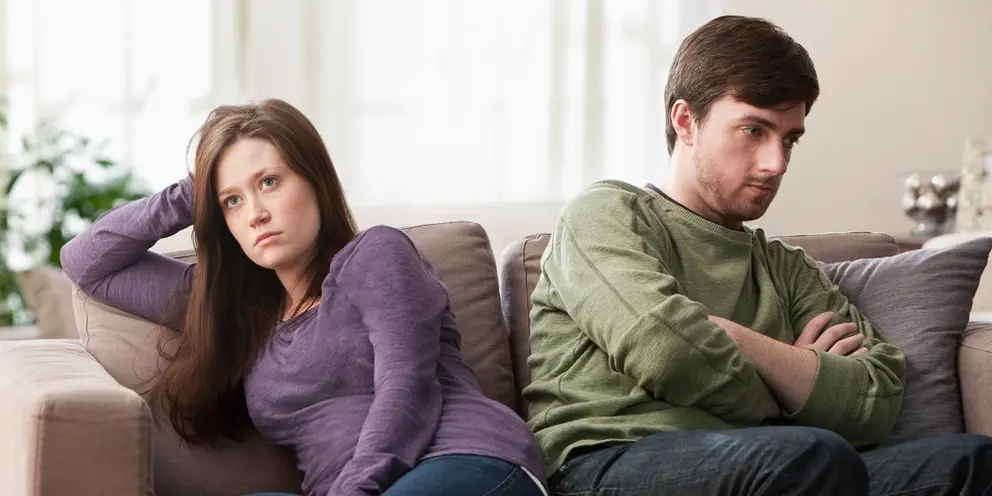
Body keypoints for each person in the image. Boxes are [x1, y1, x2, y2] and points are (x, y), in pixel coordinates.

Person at [523, 15, 992, 496]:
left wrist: (729, 335)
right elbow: (667, 353)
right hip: (609, 461)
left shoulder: (785, 269)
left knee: (973, 461)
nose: (777, 163)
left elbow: (875, 399)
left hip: (784, 463)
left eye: (789, 139)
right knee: (812, 456)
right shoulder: (604, 214)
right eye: (754, 131)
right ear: (685, 120)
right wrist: (793, 381)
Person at [60, 99, 547, 496]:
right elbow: (86, 261)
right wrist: (196, 188)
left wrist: (356, 489)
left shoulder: (375, 255)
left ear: (314, 181)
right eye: (232, 200)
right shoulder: (233, 313)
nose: (255, 213)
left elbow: (408, 387)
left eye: (269, 182)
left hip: (467, 461)